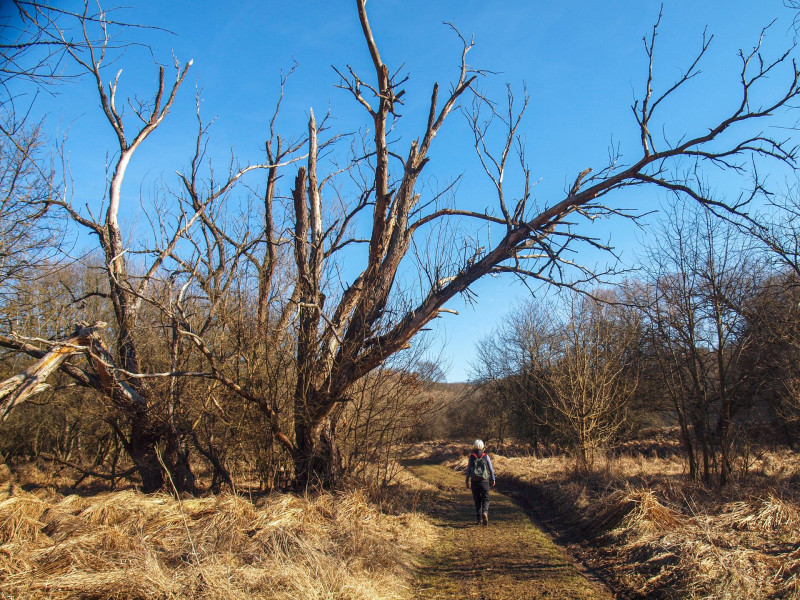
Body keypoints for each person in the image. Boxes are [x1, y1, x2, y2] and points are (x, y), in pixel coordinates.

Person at [465, 439, 496, 525]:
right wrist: (493, 479)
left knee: (477, 500)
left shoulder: (472, 456)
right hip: (485, 481)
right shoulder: (486, 456)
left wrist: (467, 481)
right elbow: (491, 468)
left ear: (474, 446)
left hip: (474, 481)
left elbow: (468, 470)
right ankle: (485, 512)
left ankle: (479, 520)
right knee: (486, 498)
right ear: (482, 446)